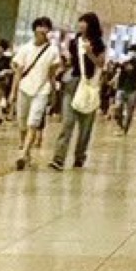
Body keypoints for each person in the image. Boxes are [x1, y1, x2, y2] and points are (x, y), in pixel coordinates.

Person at [51, 12, 106, 171]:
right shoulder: (74, 41)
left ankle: (80, 157)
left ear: (91, 25)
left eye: (84, 22)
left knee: (85, 127)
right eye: (80, 21)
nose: (81, 24)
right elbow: (71, 61)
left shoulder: (98, 43)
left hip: (88, 85)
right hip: (72, 83)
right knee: (67, 123)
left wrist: (89, 53)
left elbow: (101, 64)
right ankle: (58, 158)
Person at [11, 18, 59, 170]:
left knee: (33, 122)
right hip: (24, 88)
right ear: (34, 29)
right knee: (22, 122)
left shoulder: (53, 50)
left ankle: (23, 153)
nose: (42, 30)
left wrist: (53, 92)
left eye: (45, 27)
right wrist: (13, 92)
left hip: (42, 90)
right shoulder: (25, 48)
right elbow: (18, 72)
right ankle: (26, 150)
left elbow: (52, 74)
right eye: (39, 27)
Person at [113, 46, 136, 134]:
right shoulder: (123, 62)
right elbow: (118, 71)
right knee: (117, 109)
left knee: (129, 111)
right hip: (121, 88)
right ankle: (120, 125)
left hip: (132, 89)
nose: (131, 53)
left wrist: (134, 64)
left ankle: (125, 129)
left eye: (133, 52)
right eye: (130, 51)